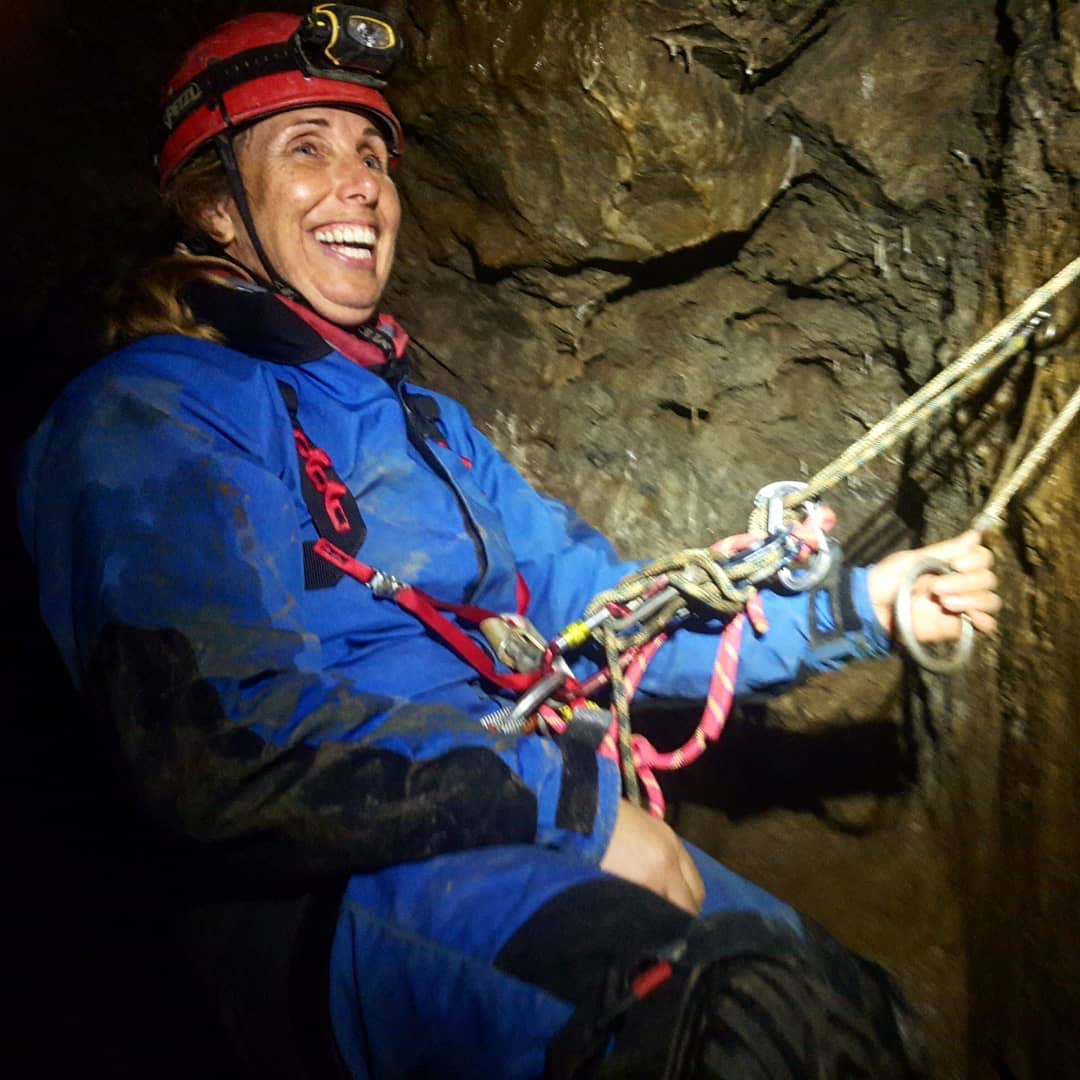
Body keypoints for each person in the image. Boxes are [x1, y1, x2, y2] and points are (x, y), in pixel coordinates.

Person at [18, 7, 1000, 1078]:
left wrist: (863, 605)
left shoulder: (431, 427)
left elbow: (600, 619)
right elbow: (215, 745)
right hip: (325, 900)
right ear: (216, 208)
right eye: (307, 149)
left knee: (856, 1017)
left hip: (509, 819)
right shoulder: (150, 412)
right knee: (730, 1029)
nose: (361, 185)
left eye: (373, 155)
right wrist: (573, 805)